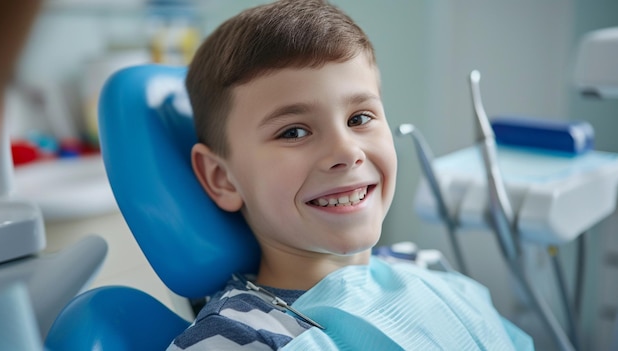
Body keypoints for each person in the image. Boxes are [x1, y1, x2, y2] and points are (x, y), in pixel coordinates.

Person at [168, 0, 534, 350]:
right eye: (294, 132)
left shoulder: (420, 264)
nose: (346, 152)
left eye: (359, 118)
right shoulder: (233, 338)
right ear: (223, 178)